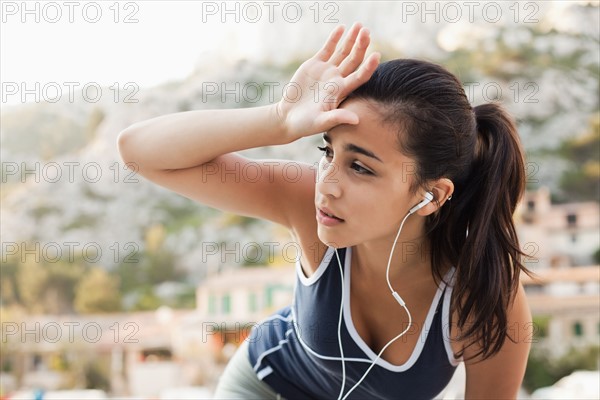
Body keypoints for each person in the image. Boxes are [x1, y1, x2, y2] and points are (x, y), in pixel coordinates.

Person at [118, 23, 532, 399]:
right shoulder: (306, 201)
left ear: (431, 196)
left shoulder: (484, 294)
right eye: (327, 152)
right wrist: (278, 120)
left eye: (360, 167)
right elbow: (139, 152)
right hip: (264, 386)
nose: (327, 184)